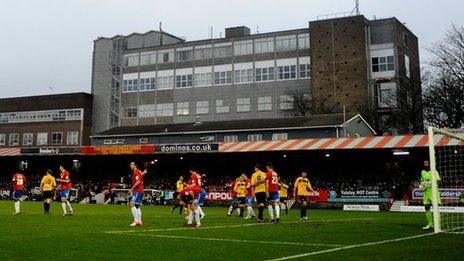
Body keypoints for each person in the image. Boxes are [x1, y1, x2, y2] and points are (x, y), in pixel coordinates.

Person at [421, 160, 441, 230]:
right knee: (426, 207)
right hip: (426, 192)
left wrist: (435, 185)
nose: (425, 164)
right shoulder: (423, 172)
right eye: (424, 163)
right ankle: (430, 224)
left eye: (426, 163)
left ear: (429, 164)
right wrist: (422, 185)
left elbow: (438, 180)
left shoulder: (434, 171)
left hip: (433, 192)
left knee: (435, 208)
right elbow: (422, 181)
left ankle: (438, 224)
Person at [129, 162, 144, 227]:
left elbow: (138, 181)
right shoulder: (139, 171)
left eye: (132, 164)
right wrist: (143, 173)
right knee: (137, 206)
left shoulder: (136, 172)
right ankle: (140, 221)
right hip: (140, 191)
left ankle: (136, 221)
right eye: (130, 164)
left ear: (135, 165)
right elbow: (141, 177)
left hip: (137, 191)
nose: (131, 165)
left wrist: (132, 188)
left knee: (132, 204)